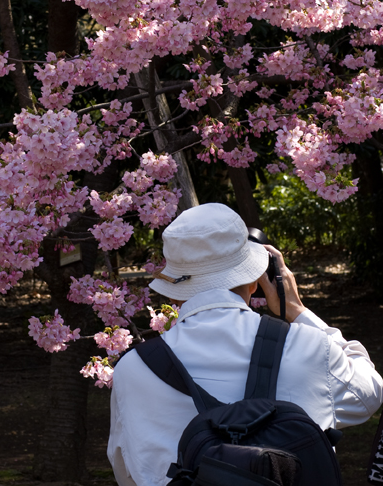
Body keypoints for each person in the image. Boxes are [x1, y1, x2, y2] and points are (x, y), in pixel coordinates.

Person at [107, 202, 383, 486]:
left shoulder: (133, 369)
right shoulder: (309, 347)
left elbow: (127, 471)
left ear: (175, 294)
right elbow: (370, 394)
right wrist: (296, 309)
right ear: (255, 280)